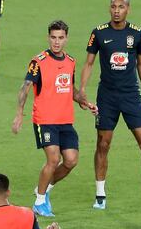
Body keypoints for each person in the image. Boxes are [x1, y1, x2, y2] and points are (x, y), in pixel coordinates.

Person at [77, 0, 141, 211]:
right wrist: (82, 89)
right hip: (107, 97)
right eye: (113, 7)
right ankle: (100, 195)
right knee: (103, 144)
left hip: (131, 96)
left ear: (128, 9)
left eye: (121, 7)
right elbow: (89, 63)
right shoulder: (99, 33)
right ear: (109, 9)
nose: (116, 10)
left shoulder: (137, 33)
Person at [12, 20, 97, 217]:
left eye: (60, 38)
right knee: (53, 158)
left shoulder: (71, 62)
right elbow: (25, 87)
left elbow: (69, 89)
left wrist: (85, 102)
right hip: (45, 120)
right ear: (48, 37)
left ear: (66, 38)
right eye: (53, 37)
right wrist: (19, 114)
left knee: (71, 161)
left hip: (65, 120)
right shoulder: (38, 61)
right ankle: (39, 202)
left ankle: (45, 188)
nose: (56, 42)